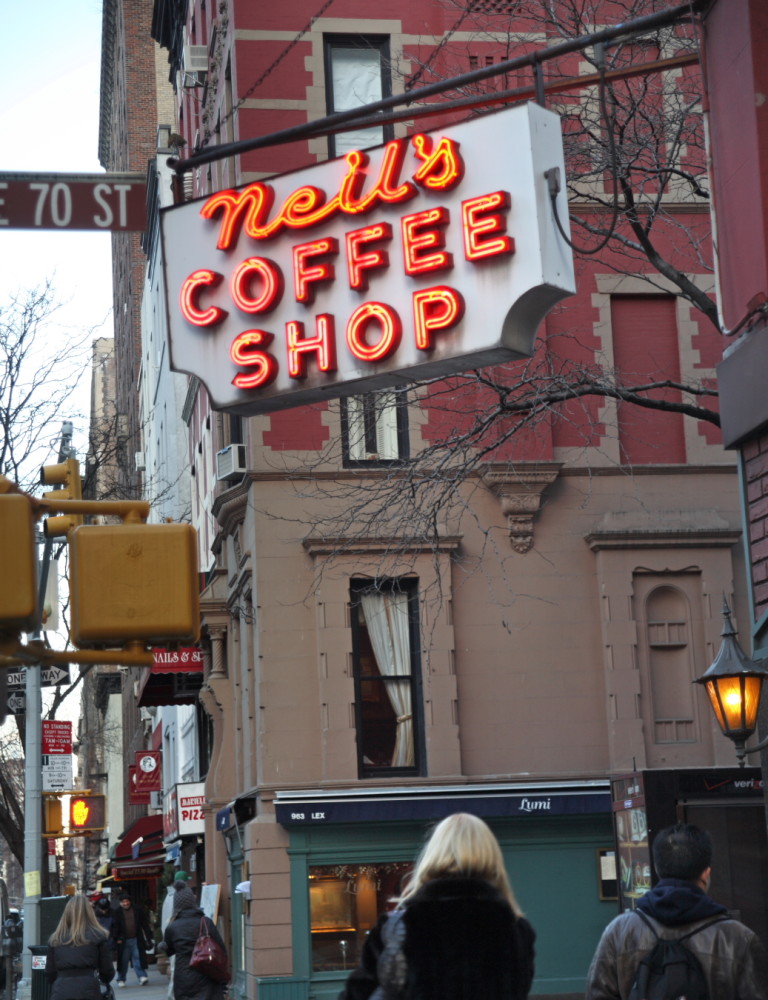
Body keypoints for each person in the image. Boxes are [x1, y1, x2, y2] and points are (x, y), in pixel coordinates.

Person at [339, 812, 536, 1000]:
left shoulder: (397, 926)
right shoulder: (517, 929)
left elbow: (359, 991)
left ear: (433, 854)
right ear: (493, 859)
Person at [585, 822, 768, 1000]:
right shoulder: (737, 937)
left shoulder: (620, 930)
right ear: (706, 873)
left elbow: (598, 993)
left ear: (657, 869)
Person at [45, 894, 115, 1000]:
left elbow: (50, 973)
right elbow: (107, 971)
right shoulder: (98, 936)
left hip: (61, 991)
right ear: (89, 913)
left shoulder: (56, 939)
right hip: (89, 990)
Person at [164, 886, 228, 1000]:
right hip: (207, 974)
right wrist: (223, 982)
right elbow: (222, 951)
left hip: (183, 977)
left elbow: (169, 951)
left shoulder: (172, 927)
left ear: (176, 905)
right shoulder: (206, 922)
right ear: (193, 902)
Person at [113, 893, 153, 987]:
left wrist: (149, 938)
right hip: (123, 941)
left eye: (127, 901)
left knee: (138, 958)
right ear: (120, 903)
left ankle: (142, 976)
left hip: (136, 939)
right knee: (123, 961)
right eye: (123, 902)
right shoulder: (117, 912)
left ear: (130, 901)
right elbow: (114, 927)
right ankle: (121, 979)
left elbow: (144, 924)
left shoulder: (137, 910)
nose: (126, 903)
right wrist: (116, 939)